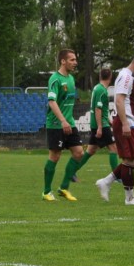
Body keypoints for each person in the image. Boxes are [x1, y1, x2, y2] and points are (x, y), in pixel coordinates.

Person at [96, 53, 134, 205]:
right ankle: (129, 198)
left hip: (131, 121)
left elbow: (131, 102)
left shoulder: (131, 77)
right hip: (125, 122)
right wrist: (125, 123)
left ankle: (106, 181)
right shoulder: (126, 77)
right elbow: (119, 101)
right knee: (128, 159)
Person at [42, 49, 85, 201]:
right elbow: (51, 101)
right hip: (56, 123)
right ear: (63, 61)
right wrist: (62, 120)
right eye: (72, 60)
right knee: (55, 156)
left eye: (75, 59)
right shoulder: (55, 79)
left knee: (79, 152)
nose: (75, 62)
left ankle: (63, 187)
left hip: (69, 123)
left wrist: (68, 121)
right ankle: (46, 191)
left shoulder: (71, 79)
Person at [73, 67, 120, 185]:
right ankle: (117, 176)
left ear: (100, 77)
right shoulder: (102, 91)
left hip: (99, 123)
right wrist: (100, 126)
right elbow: (98, 109)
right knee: (113, 148)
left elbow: (102, 109)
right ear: (110, 78)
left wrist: (109, 122)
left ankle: (72, 172)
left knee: (91, 150)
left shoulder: (97, 88)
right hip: (101, 125)